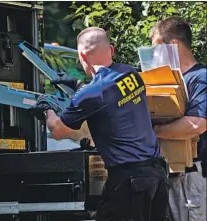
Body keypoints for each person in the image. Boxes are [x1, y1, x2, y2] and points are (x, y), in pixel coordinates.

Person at [31, 27, 169, 221]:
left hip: (129, 183)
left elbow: (58, 130)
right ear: (111, 50)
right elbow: (109, 95)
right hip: (157, 177)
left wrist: (47, 109)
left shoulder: (91, 94)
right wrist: (79, 85)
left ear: (82, 55)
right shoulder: (131, 74)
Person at [150, 16, 207, 221]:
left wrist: (153, 133)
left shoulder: (200, 78)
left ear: (173, 45)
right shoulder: (169, 79)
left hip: (193, 175)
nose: (154, 54)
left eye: (157, 47)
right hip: (171, 172)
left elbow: (196, 124)